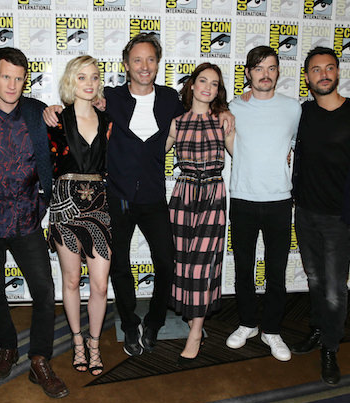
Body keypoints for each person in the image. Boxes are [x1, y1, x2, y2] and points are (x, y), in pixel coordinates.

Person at [44, 34, 234, 356]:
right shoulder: (111, 99)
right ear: (126, 65)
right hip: (115, 197)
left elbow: (203, 104)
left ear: (158, 64)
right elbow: (77, 109)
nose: (144, 67)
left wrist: (225, 110)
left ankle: (155, 322)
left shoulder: (172, 99)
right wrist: (51, 109)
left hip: (155, 199)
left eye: (151, 60)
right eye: (137, 60)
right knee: (118, 266)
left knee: (166, 262)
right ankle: (129, 324)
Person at [0, 47, 68, 398]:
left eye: (19, 78)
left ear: (26, 80)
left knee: (44, 290)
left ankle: (39, 359)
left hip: (26, 220)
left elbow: (74, 125)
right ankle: (7, 348)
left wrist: (43, 199)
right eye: (5, 76)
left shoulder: (38, 113)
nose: (12, 84)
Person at [291, 47, 350, 385]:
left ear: (338, 73)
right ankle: (318, 329)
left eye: (329, 68)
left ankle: (330, 348)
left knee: (334, 290)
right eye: (316, 70)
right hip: (305, 213)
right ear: (307, 77)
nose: (323, 75)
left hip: (338, 219)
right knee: (315, 280)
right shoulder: (301, 113)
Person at [225, 46, 301, 362]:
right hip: (242, 198)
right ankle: (247, 323)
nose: (265, 74)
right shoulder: (233, 107)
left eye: (271, 68)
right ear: (247, 73)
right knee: (243, 268)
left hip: (280, 201)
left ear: (277, 72)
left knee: (276, 270)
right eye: (259, 68)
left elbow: (298, 145)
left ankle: (271, 329)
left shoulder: (294, 109)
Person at [165, 63, 234, 363]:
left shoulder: (223, 121)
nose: (208, 87)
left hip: (213, 194)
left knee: (203, 264)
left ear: (219, 90)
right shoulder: (176, 122)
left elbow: (243, 154)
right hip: (182, 194)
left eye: (215, 83)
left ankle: (196, 331)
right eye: (203, 81)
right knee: (182, 260)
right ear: (192, 85)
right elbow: (152, 152)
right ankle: (192, 319)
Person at [47, 55, 112, 376]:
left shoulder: (108, 119)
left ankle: (95, 344)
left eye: (94, 77)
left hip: (99, 205)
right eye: (82, 77)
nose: (89, 83)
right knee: (71, 280)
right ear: (71, 82)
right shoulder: (55, 119)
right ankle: (77, 342)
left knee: (100, 285)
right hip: (64, 204)